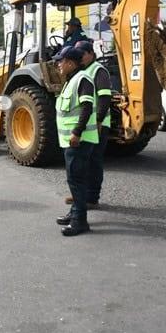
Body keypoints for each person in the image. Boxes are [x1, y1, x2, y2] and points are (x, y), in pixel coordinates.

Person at [53, 46, 98, 237]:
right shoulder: (72, 80)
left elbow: (87, 108)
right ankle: (74, 214)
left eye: (60, 61)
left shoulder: (82, 79)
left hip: (79, 140)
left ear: (70, 63)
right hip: (71, 141)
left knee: (76, 180)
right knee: (74, 179)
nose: (58, 65)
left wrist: (77, 132)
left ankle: (80, 221)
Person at [68, 40, 112, 209]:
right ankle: (81, 195)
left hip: (98, 124)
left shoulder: (98, 71)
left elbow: (104, 97)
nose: (79, 56)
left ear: (90, 54)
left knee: (94, 161)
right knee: (83, 161)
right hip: (89, 124)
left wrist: (99, 120)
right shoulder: (83, 71)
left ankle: (92, 198)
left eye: (82, 53)